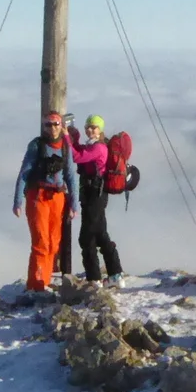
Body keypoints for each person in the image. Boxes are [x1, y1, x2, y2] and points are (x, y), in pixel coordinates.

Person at [13, 111, 79, 292]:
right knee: (41, 243)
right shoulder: (36, 146)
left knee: (53, 242)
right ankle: (36, 285)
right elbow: (24, 173)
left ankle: (45, 280)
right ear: (44, 126)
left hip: (57, 198)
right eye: (48, 124)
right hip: (38, 196)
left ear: (61, 125)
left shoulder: (65, 146)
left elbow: (71, 176)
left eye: (56, 124)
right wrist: (18, 200)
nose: (52, 128)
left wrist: (74, 203)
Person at [71, 114, 124, 283]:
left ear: (100, 129)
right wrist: (75, 138)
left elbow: (77, 157)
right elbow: (80, 152)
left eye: (94, 127)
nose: (90, 130)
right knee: (99, 235)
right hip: (92, 194)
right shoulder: (93, 145)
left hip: (95, 194)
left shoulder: (99, 148)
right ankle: (114, 274)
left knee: (86, 238)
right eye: (88, 126)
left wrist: (66, 138)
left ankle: (95, 278)